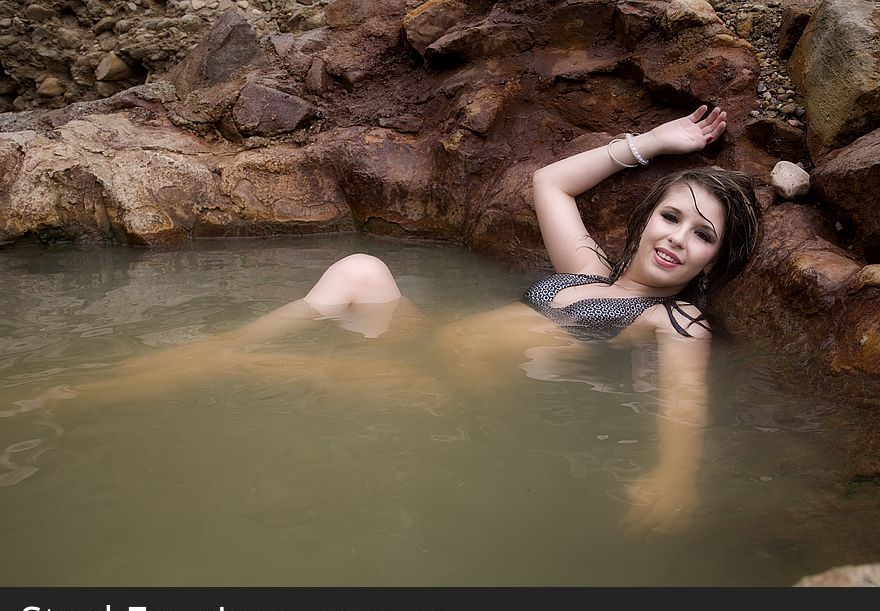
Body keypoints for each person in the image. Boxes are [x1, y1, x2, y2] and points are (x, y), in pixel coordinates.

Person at [5, 106, 761, 536]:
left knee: (235, 369)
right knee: (364, 269)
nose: (677, 239)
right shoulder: (590, 272)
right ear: (646, 217)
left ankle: (70, 396)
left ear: (711, 263)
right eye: (671, 216)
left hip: (442, 390)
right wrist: (654, 144)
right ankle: (232, 338)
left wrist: (672, 474)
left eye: (703, 235)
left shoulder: (674, 324)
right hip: (431, 343)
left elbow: (683, 406)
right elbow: (549, 183)